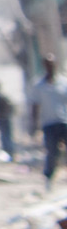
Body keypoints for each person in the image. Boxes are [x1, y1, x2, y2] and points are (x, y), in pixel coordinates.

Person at [33, 55, 67, 188]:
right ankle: (49, 178)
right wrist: (34, 124)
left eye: (52, 64)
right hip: (49, 124)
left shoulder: (63, 83)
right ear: (44, 66)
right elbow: (35, 106)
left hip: (64, 121)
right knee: (52, 152)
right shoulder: (39, 86)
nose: (50, 67)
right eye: (48, 64)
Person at [0, 80, 17, 159]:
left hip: (4, 119)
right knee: (5, 137)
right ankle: (9, 153)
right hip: (4, 119)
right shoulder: (1, 97)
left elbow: (0, 110)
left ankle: (10, 153)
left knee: (6, 137)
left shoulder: (1, 97)